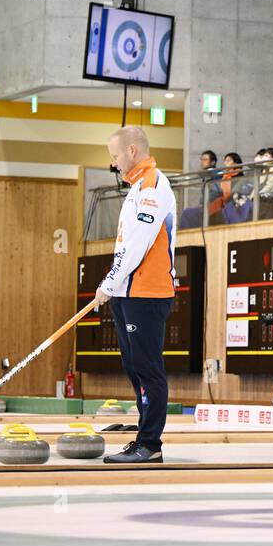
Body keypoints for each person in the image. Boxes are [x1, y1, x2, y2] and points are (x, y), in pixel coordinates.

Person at [95, 126, 177, 464]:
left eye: (115, 156)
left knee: (147, 367)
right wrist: (114, 286)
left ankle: (150, 445)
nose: (113, 164)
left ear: (132, 151)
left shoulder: (153, 186)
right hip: (127, 292)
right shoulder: (134, 189)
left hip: (147, 292)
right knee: (132, 365)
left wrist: (109, 283)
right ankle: (143, 436)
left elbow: (137, 246)